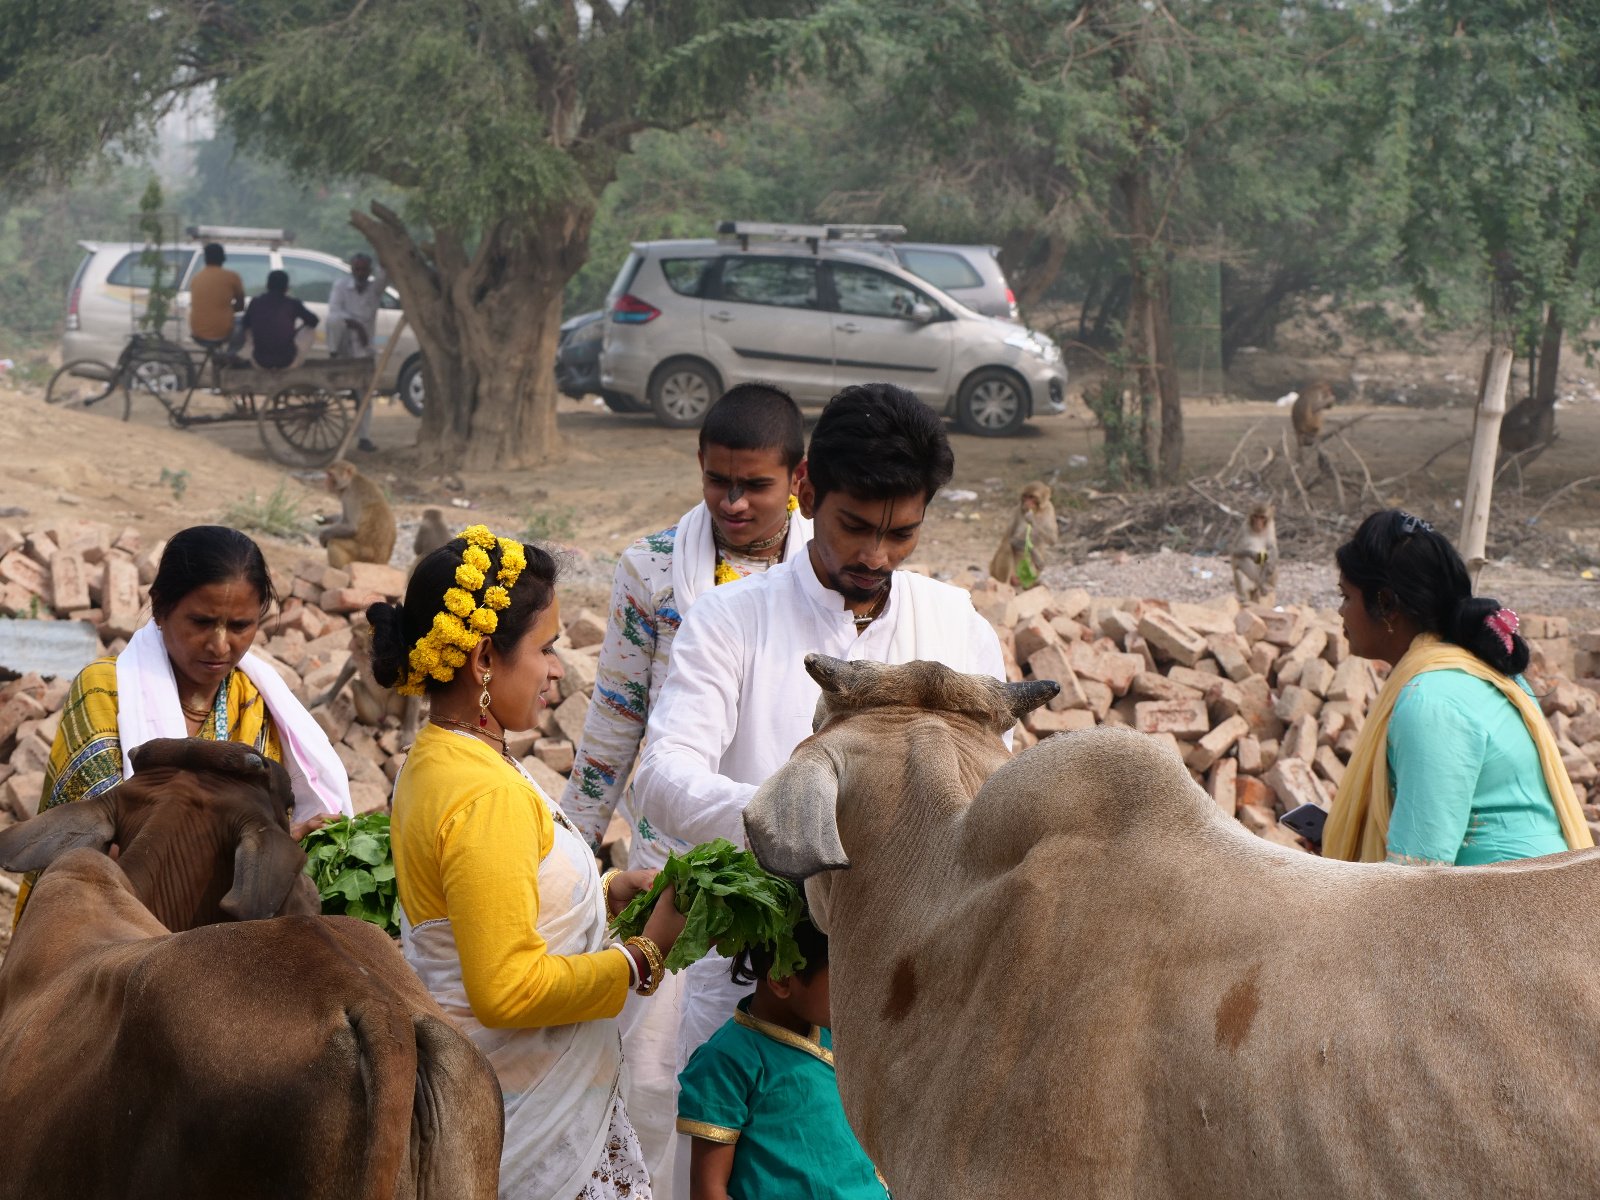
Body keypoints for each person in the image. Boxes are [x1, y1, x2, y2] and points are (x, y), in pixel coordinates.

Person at [632, 382, 1006, 1190]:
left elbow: (992, 801)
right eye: (855, 527)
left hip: (912, 1005)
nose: (875, 555)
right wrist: (799, 822)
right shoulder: (732, 621)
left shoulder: (956, 627)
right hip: (752, 996)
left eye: (901, 533)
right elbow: (662, 780)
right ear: (807, 490)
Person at [371, 524, 689, 1200]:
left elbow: (489, 912)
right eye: (545, 649)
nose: (556, 669)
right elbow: (506, 989)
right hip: (521, 1123)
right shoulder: (483, 793)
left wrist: (603, 896)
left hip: (482, 1099)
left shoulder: (437, 758)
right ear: (485, 657)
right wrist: (643, 956)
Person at [560, 382, 812, 1197]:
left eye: (755, 486)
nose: (733, 503)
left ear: (799, 479)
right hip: (678, 870)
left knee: (786, 1071)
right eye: (716, 482)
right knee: (656, 1070)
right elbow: (616, 723)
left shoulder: (828, 572)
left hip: (800, 867)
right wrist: (564, 856)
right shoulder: (654, 569)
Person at [16, 525, 352, 922]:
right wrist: (262, 849)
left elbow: (265, 828)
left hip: (217, 944)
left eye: (240, 626)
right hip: (101, 927)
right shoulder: (105, 690)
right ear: (159, 608)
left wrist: (292, 841)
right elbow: (106, 848)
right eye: (202, 622)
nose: (220, 645)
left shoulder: (257, 706)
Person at [1322, 509, 1594, 865]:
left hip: (1505, 912)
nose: (1340, 612)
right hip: (1529, 900)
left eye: (1346, 596)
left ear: (1386, 604)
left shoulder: (1433, 701)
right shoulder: (1473, 670)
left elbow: (1417, 877)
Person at [677, 917, 887, 1200]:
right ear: (782, 979)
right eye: (839, 979)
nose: (851, 993)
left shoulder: (836, 1036)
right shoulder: (724, 1062)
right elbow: (708, 1190)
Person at [327, 252, 387, 452]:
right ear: (352, 269)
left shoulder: (375, 289)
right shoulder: (341, 286)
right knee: (333, 321)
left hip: (364, 349)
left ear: (369, 270)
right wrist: (357, 326)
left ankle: (364, 437)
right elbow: (335, 311)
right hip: (344, 344)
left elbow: (386, 274)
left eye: (363, 269)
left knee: (365, 395)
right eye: (356, 269)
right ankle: (333, 356)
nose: (360, 273)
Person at [241, 269, 318, 370]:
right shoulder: (292, 303)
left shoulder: (255, 302)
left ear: (267, 285)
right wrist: (296, 330)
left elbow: (245, 324)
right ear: (286, 287)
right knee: (310, 329)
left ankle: (247, 354)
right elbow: (314, 321)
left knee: (247, 328)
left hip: (259, 361)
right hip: (288, 361)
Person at [187, 242, 245, 350]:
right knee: (243, 321)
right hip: (223, 333)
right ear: (223, 258)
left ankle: (217, 355)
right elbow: (241, 306)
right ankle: (229, 355)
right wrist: (226, 310)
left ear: (205, 259)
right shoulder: (232, 277)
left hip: (197, 333)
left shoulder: (196, 278)